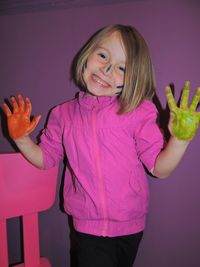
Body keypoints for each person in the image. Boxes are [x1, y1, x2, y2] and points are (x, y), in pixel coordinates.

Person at [2, 24, 200, 267]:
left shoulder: (138, 113)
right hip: (88, 228)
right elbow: (46, 158)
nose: (106, 69)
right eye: (103, 56)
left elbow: (160, 169)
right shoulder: (62, 115)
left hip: (131, 225)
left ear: (134, 79)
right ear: (87, 55)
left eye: (121, 68)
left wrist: (179, 141)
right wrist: (21, 139)